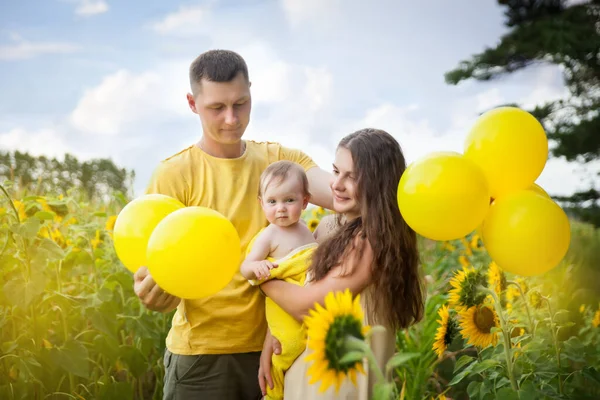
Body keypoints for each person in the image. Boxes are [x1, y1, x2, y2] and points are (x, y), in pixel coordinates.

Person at [133, 49, 333, 400]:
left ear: (251, 92)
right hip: (202, 360)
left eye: (240, 103)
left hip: (278, 351)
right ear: (192, 103)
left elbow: (343, 194)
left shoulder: (280, 162)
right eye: (217, 108)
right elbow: (154, 269)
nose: (231, 118)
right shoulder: (174, 175)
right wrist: (154, 291)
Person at [259, 128, 426, 399]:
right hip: (310, 371)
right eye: (336, 171)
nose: (337, 184)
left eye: (353, 177)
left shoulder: (374, 241)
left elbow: (306, 305)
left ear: (379, 184)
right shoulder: (327, 226)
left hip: (343, 382)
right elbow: (297, 280)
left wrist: (260, 277)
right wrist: (272, 337)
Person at [241, 160, 318, 400]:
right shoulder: (270, 234)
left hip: (304, 295)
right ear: (261, 203)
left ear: (305, 201)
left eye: (289, 200)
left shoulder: (305, 228)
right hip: (283, 306)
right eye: (272, 202)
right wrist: (258, 265)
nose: (281, 209)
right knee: (286, 346)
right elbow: (245, 268)